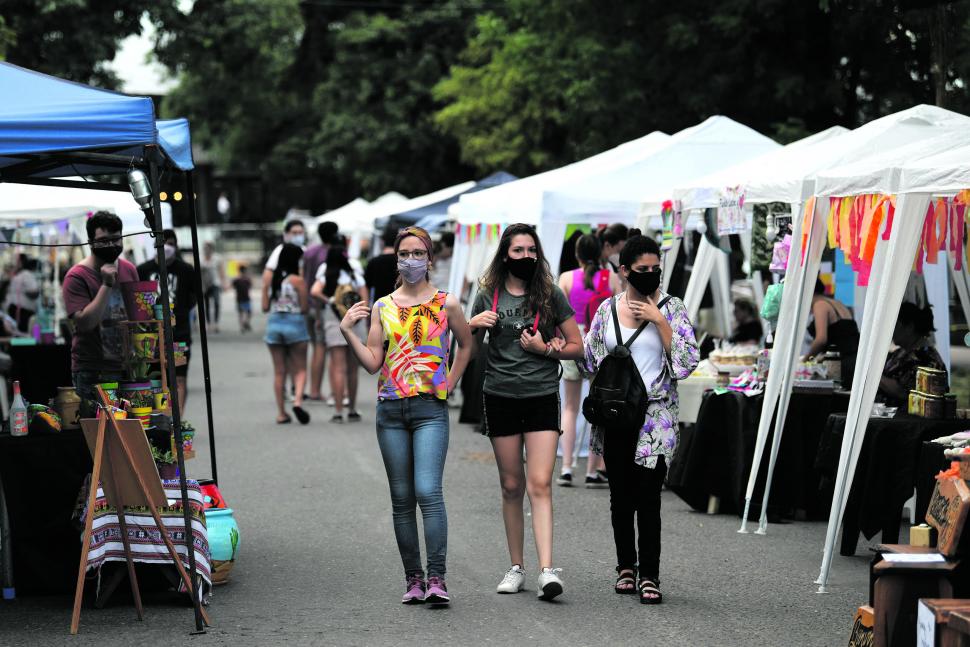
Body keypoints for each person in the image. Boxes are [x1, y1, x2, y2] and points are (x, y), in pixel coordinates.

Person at [339, 226, 473, 605]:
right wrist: (347, 330)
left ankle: (437, 578)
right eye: (405, 253)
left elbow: (466, 345)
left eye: (419, 253)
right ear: (396, 258)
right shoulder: (383, 306)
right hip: (391, 411)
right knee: (401, 498)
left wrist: (449, 382)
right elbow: (372, 362)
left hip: (430, 409)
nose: (411, 260)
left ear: (430, 258)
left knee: (428, 491)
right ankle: (413, 579)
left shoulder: (447, 303)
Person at [468, 223, 584, 601]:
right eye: (518, 251)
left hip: (540, 394)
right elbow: (466, 348)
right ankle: (516, 567)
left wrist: (545, 350)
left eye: (531, 250)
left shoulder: (551, 294)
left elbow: (577, 346)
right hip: (500, 395)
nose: (526, 257)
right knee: (511, 485)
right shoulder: (487, 295)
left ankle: (547, 571)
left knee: (539, 483)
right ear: (505, 255)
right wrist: (471, 326)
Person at [582, 231, 699, 604]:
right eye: (642, 269)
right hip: (616, 415)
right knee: (620, 496)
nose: (650, 274)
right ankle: (626, 567)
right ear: (624, 271)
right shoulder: (606, 309)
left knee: (648, 497)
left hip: (655, 418)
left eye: (656, 268)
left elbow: (685, 364)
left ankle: (650, 574)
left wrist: (659, 320)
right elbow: (590, 360)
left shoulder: (673, 307)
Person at [555, 233, 618, 488]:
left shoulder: (567, 278)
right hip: (602, 344)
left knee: (570, 407)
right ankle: (593, 470)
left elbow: (557, 314)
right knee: (599, 408)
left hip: (574, 342)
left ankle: (567, 466)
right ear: (601, 252)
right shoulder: (611, 278)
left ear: (578, 254)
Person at [62, 211, 140, 407]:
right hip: (92, 370)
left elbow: (137, 315)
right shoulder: (76, 276)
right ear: (90, 242)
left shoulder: (129, 269)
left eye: (116, 239)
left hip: (127, 368)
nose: (111, 245)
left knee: (131, 430)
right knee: (97, 433)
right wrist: (106, 285)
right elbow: (85, 323)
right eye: (104, 240)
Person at [138, 229, 198, 417]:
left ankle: (177, 419)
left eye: (171, 244)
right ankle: (164, 417)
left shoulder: (186, 270)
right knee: (156, 379)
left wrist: (179, 313)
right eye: (163, 244)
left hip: (179, 334)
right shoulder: (143, 270)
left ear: (176, 246)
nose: (167, 248)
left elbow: (194, 297)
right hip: (151, 336)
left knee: (179, 378)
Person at [310, 244, 367, 423]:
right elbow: (365, 300)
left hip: (333, 320)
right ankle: (352, 409)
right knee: (352, 369)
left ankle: (338, 410)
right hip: (354, 321)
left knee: (337, 366)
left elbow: (314, 291)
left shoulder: (326, 275)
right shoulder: (355, 276)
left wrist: (331, 301)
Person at [262, 243, 311, 425]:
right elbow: (305, 308)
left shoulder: (271, 279)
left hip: (274, 325)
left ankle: (281, 413)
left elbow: (265, 307)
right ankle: (297, 401)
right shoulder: (298, 281)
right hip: (295, 324)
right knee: (300, 369)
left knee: (279, 371)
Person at [878, 302, 946, 408]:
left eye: (895, 325)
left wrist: (873, 377)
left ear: (909, 327)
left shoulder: (926, 359)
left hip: (912, 422)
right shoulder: (900, 353)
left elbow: (903, 392)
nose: (891, 330)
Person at [305, 221, 340, 402]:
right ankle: (330, 392)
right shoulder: (335, 253)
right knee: (328, 349)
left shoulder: (309, 252)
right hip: (326, 305)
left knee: (316, 346)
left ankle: (314, 389)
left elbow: (305, 277)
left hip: (310, 303)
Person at [806, 278, 859, 387]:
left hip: (841, 365)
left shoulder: (820, 304)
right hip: (855, 361)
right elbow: (842, 336)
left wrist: (805, 360)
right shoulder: (837, 303)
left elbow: (821, 339)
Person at [5, 254, 40, 332]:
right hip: (19, 312)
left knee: (22, 335)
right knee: (19, 335)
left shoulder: (24, 275)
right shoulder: (21, 275)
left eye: (16, 261)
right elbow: (34, 291)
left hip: (20, 311)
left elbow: (33, 291)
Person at [365, 226, 400, 304]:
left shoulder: (373, 262)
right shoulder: (403, 262)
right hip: (399, 307)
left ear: (382, 241)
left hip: (379, 306)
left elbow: (366, 287)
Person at [200, 242, 227, 333]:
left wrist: (224, 283)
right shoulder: (200, 259)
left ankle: (216, 323)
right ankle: (208, 323)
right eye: (205, 248)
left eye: (208, 248)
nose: (206, 250)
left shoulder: (217, 258)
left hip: (215, 283)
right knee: (206, 304)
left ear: (211, 249)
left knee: (216, 302)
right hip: (205, 285)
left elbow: (221, 271)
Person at [232, 265, 253, 332]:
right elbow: (250, 286)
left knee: (245, 313)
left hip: (241, 298)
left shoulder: (238, 279)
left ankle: (244, 324)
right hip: (244, 298)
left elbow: (233, 286)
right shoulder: (244, 279)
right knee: (246, 312)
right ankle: (244, 324)